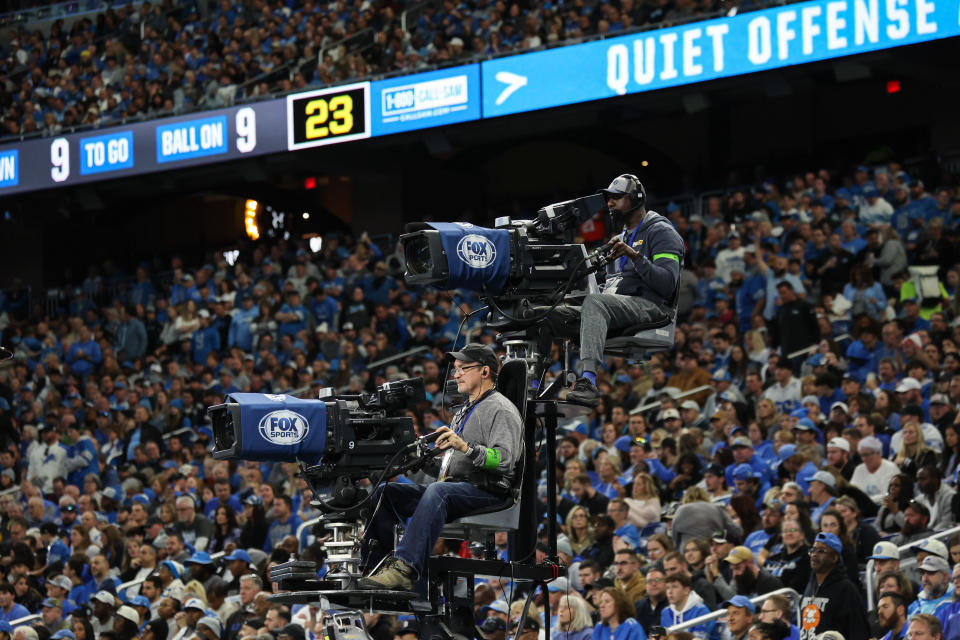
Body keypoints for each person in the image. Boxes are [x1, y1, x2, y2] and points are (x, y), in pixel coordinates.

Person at [359, 344, 523, 591]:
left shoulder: (501, 409)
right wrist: (417, 461)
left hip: (489, 490)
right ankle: (375, 568)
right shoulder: (464, 410)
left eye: (463, 369)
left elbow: (504, 460)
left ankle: (404, 568)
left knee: (438, 491)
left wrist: (466, 447)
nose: (455, 375)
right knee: (385, 492)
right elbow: (451, 467)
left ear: (485, 371)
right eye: (456, 369)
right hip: (457, 487)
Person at [541, 174, 684, 405]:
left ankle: (588, 381)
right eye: (608, 198)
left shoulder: (661, 232)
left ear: (636, 199)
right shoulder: (619, 239)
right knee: (545, 313)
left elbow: (667, 284)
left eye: (617, 197)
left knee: (596, 303)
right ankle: (535, 380)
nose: (610, 203)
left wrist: (635, 257)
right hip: (616, 304)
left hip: (651, 306)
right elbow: (610, 283)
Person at [799, 532, 869, 640]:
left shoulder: (846, 590)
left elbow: (859, 631)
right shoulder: (809, 586)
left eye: (821, 551)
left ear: (834, 558)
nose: (814, 554)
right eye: (813, 550)